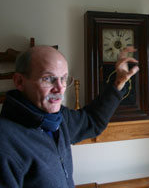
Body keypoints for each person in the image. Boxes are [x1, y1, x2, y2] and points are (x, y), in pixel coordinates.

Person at [0, 45, 139, 188]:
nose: (60, 88)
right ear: (19, 81)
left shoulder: (58, 118)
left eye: (64, 78)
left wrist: (118, 83)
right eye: (48, 78)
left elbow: (92, 121)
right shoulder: (5, 142)